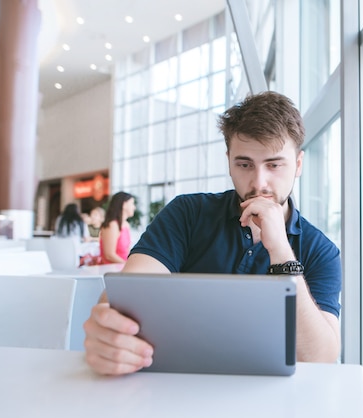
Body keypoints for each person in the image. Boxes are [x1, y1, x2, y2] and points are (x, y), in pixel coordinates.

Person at [83, 91, 342, 376]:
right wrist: (109, 329)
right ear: (229, 160)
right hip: (177, 384)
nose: (259, 182)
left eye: (274, 164)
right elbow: (127, 296)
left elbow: (320, 357)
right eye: (244, 164)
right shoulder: (188, 213)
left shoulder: (322, 250)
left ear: (299, 165)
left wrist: (281, 251)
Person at [99, 192, 136, 264]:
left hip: (123, 268)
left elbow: (127, 251)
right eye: (132, 203)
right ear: (124, 205)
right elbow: (109, 255)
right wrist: (127, 265)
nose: (134, 207)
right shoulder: (112, 225)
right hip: (112, 269)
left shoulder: (126, 225)